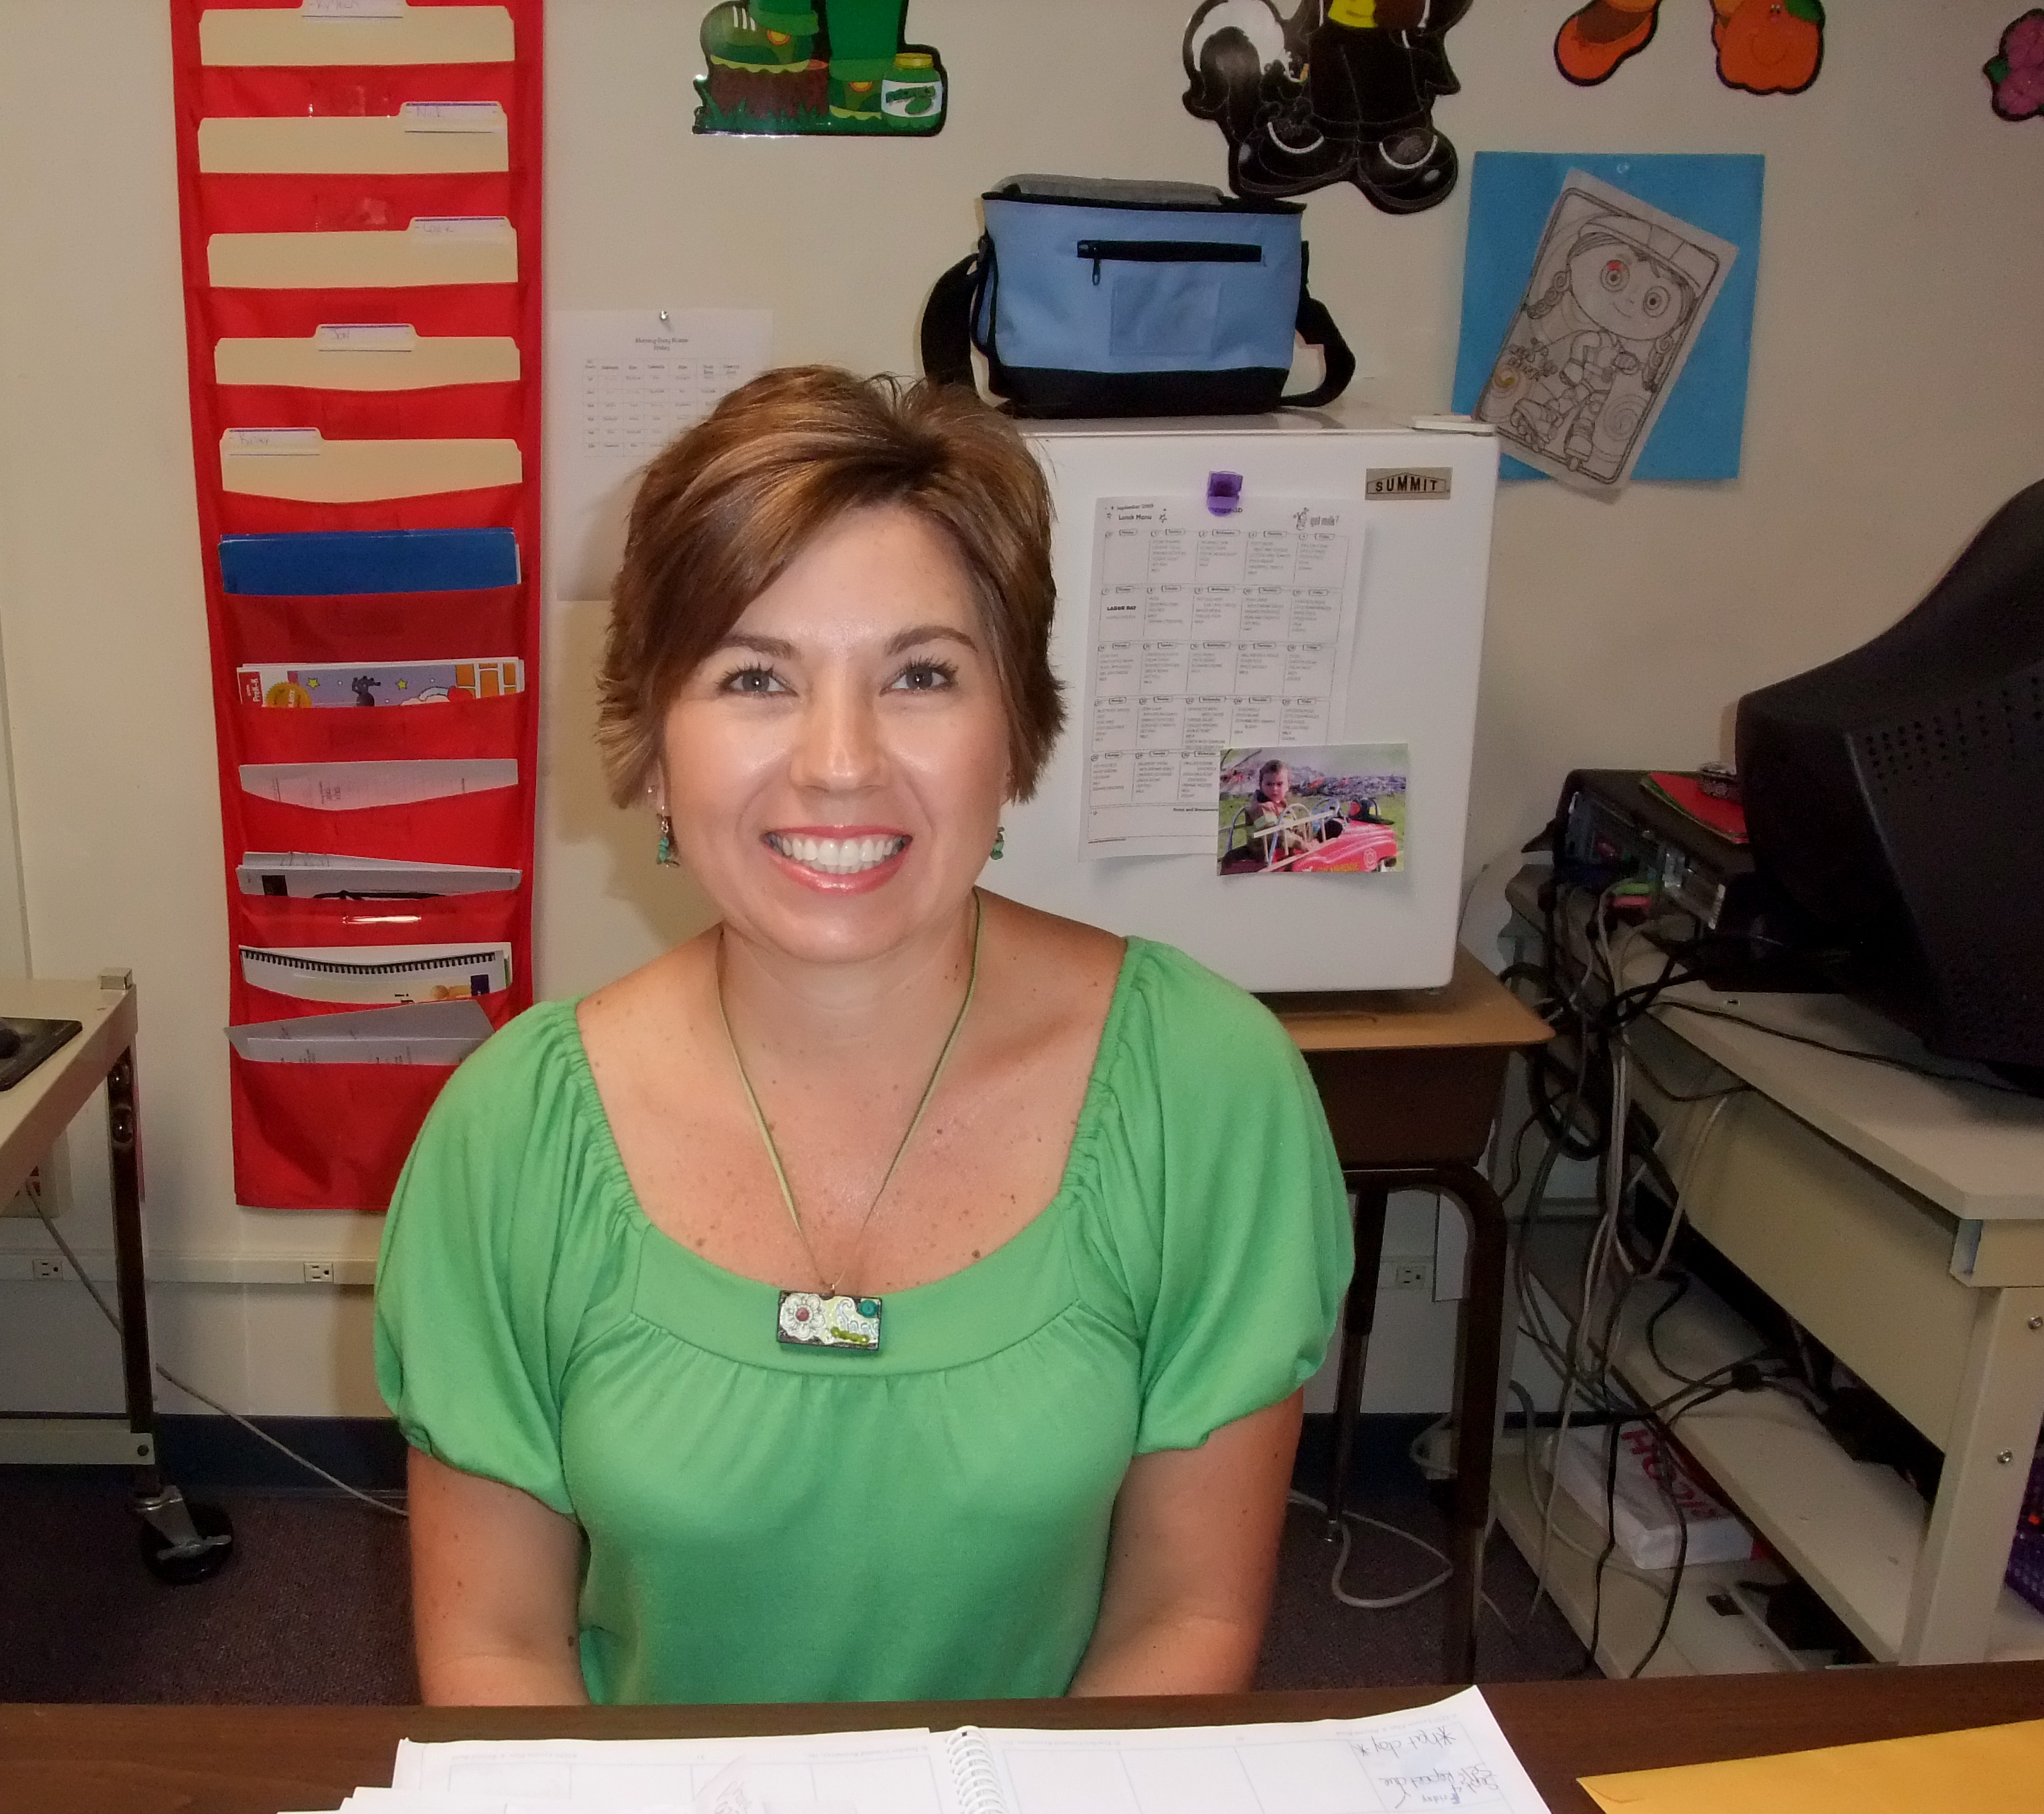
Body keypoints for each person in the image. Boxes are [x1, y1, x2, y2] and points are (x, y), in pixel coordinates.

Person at [379, 367, 1350, 1708]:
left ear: (1016, 736)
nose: (840, 763)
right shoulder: (513, 1133)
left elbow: (1184, 1616)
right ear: (654, 750)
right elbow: (497, 1650)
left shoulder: (1205, 1087)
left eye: (922, 675)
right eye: (754, 677)